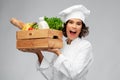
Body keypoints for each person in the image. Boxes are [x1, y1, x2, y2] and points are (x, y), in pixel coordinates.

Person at [21, 4, 93, 80]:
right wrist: (38, 53)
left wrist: (57, 53)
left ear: (82, 28)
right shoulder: (62, 44)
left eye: (78, 23)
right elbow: (52, 75)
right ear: (66, 26)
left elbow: (74, 74)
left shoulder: (85, 46)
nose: (74, 26)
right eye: (71, 22)